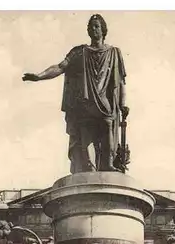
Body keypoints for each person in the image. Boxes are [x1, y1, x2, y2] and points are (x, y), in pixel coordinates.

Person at [23, 14, 129, 173]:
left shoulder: (114, 52)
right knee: (85, 132)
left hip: (104, 100)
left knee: (108, 123)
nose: (93, 29)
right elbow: (60, 67)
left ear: (103, 29)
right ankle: (88, 167)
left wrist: (123, 104)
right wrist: (39, 76)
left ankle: (107, 164)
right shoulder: (79, 52)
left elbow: (120, 82)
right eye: (91, 27)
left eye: (96, 26)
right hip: (86, 101)